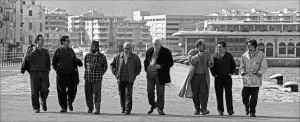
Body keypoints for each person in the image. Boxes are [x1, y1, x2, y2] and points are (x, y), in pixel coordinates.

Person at [144, 38, 173, 115]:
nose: (155, 46)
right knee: (149, 91)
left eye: (156, 44)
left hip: (160, 74)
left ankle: (160, 108)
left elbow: (170, 63)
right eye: (154, 44)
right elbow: (146, 61)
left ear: (160, 44)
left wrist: (161, 66)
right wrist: (146, 68)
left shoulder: (166, 52)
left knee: (160, 92)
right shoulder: (149, 51)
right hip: (150, 74)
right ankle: (153, 104)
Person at [110, 42, 141, 114]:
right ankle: (122, 108)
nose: (126, 50)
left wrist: (134, 74)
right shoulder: (118, 56)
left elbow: (139, 67)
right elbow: (112, 65)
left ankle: (128, 109)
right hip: (120, 78)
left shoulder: (135, 57)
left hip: (130, 78)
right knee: (121, 94)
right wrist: (115, 73)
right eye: (124, 48)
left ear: (131, 49)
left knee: (128, 93)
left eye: (127, 48)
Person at [52, 35, 81, 113]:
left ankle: (69, 102)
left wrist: (78, 62)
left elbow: (74, 60)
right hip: (61, 74)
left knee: (73, 90)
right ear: (62, 42)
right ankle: (63, 107)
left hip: (71, 73)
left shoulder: (71, 51)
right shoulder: (57, 51)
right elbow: (53, 62)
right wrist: (57, 71)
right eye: (67, 41)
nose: (69, 42)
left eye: (69, 41)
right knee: (61, 91)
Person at [240, 39, 267, 117]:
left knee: (254, 98)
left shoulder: (261, 55)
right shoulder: (244, 55)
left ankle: (252, 112)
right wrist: (242, 72)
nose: (248, 47)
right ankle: (246, 106)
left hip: (256, 80)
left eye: (250, 45)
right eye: (248, 46)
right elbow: (241, 66)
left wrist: (259, 73)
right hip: (247, 80)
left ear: (255, 46)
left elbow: (264, 66)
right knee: (244, 96)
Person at [25, 34, 51, 113]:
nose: (43, 41)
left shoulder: (45, 51)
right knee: (34, 92)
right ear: (37, 41)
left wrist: (47, 71)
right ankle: (36, 107)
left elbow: (48, 62)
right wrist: (34, 50)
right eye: (41, 40)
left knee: (45, 90)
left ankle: (43, 101)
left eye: (43, 40)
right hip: (34, 73)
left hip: (44, 73)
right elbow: (28, 59)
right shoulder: (31, 50)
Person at [188, 39, 214, 115]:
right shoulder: (191, 52)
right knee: (195, 93)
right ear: (198, 45)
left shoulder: (207, 53)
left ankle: (203, 109)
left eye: (205, 46)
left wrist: (211, 63)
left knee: (203, 93)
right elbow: (191, 62)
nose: (204, 47)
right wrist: (199, 55)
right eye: (203, 46)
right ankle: (197, 109)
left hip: (204, 75)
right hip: (194, 75)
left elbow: (209, 64)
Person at [210, 41, 236, 116]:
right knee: (219, 94)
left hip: (227, 77)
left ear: (224, 48)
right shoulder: (215, 56)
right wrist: (214, 74)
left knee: (228, 93)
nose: (218, 48)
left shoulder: (229, 55)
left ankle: (230, 109)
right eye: (218, 47)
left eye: (220, 47)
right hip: (218, 77)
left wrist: (231, 72)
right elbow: (212, 66)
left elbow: (233, 65)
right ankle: (220, 110)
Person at [84, 41, 108, 114]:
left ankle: (97, 109)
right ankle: (90, 107)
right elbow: (85, 65)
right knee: (88, 94)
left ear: (97, 47)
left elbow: (105, 66)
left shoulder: (102, 56)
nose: (92, 48)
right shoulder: (87, 56)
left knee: (97, 94)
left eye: (94, 46)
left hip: (97, 79)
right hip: (88, 78)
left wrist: (100, 73)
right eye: (92, 46)